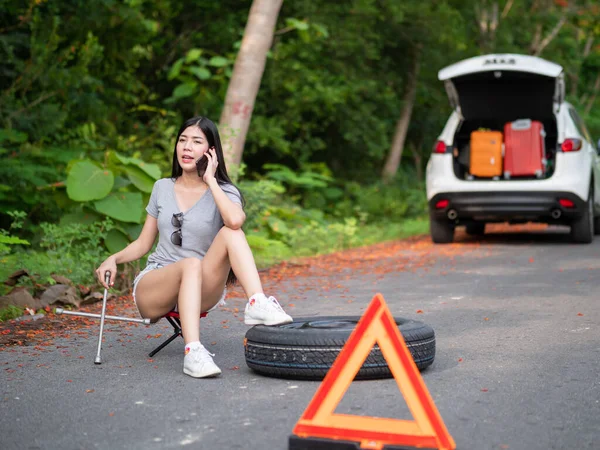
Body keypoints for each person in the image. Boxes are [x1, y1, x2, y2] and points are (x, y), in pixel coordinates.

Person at [95, 116, 293, 379]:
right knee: (189, 264)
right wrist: (113, 258)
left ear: (210, 152)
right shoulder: (162, 187)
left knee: (230, 233)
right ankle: (194, 352)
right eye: (182, 140)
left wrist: (211, 180)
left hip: (201, 288)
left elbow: (234, 221)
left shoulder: (223, 191)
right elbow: (144, 243)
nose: (186, 147)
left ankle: (257, 302)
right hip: (157, 285)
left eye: (196, 141)